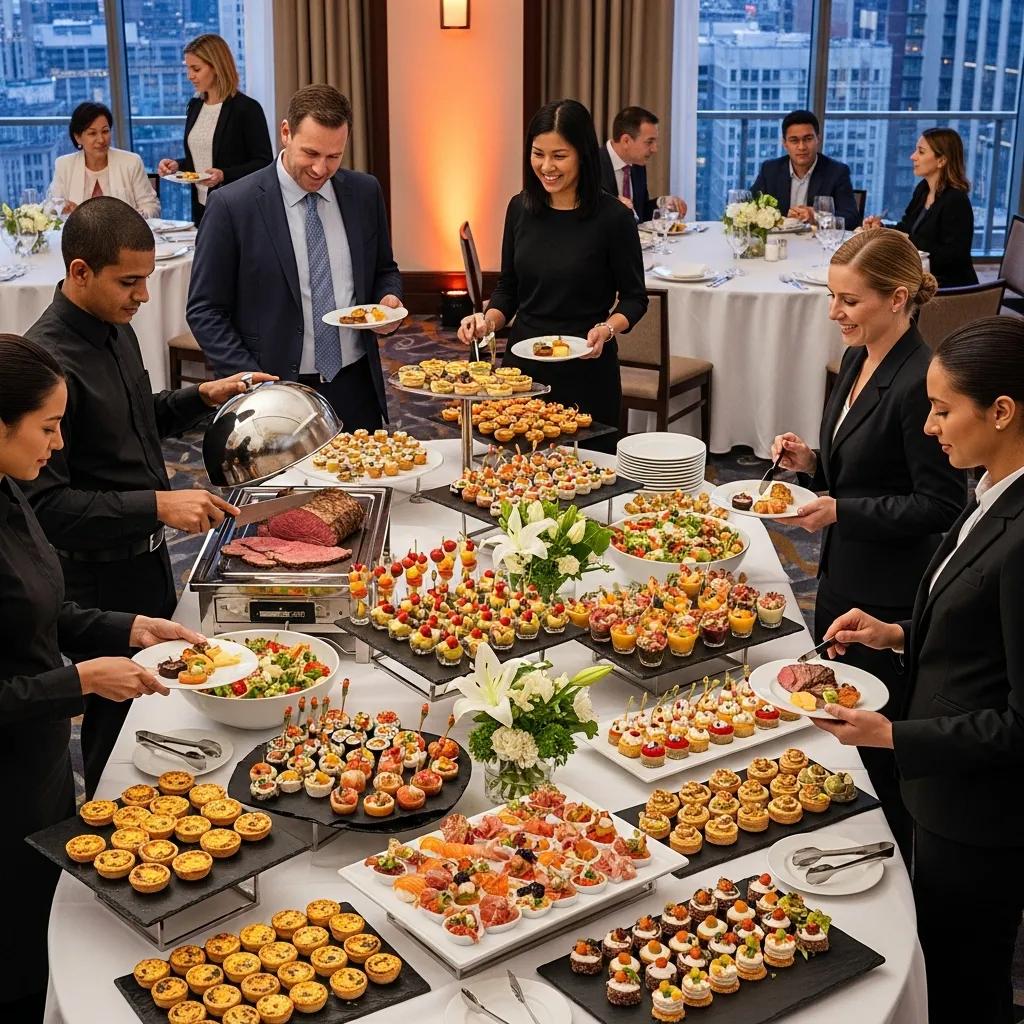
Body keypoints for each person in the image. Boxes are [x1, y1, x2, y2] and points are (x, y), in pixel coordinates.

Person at [20, 197, 274, 798]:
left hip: (148, 561)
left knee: (164, 710)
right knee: (118, 737)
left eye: (147, 279)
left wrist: (199, 397)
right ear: (80, 272)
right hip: (92, 580)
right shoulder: (48, 361)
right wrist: (157, 505)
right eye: (129, 281)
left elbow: (136, 423)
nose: (143, 296)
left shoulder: (117, 328)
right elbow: (48, 509)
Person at [812, 316, 1024, 1024]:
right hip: (942, 793)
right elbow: (981, 635)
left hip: (979, 819)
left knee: (966, 986)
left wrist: (895, 737)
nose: (931, 428)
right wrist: (897, 632)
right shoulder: (993, 487)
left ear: (1001, 411)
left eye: (942, 410)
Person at [0, 333, 207, 1019]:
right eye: (49, 427)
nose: (59, 446)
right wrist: (80, 683)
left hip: (37, 768)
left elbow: (40, 610)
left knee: (48, 932)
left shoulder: (10, 487)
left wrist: (128, 628)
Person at [770, 228, 967, 859]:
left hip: (887, 594)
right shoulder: (858, 359)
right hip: (841, 574)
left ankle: (884, 863)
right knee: (834, 722)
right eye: (833, 298)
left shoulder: (918, 380)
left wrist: (840, 511)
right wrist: (811, 464)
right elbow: (863, 469)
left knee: (874, 744)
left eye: (848, 301)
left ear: (899, 298)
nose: (834, 313)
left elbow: (940, 505)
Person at [186, 84, 403, 432]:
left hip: (356, 383)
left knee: (361, 484)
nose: (321, 169)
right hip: (275, 389)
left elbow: (383, 269)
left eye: (334, 157)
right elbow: (204, 309)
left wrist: (388, 300)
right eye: (311, 153)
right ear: (286, 133)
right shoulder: (232, 205)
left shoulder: (364, 193)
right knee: (288, 488)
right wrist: (251, 380)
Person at [457, 99, 647, 441]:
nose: (546, 166)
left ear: (583, 154)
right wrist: (488, 320)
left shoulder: (613, 218)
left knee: (588, 476)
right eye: (537, 154)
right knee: (521, 473)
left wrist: (606, 328)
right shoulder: (520, 208)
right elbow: (509, 287)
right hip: (524, 363)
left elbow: (635, 299)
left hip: (588, 363)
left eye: (559, 156)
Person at [156, 33, 272, 225]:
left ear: (216, 67)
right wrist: (178, 165)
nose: (189, 76)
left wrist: (224, 174)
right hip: (202, 206)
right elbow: (203, 158)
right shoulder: (195, 106)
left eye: (196, 69)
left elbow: (264, 163)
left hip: (238, 207)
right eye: (188, 68)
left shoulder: (246, 108)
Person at [863, 127, 977, 288]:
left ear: (941, 160)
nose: (912, 157)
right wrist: (881, 228)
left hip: (947, 289)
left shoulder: (956, 200)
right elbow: (905, 227)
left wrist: (907, 240)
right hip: (918, 276)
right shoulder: (923, 189)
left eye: (921, 152)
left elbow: (953, 257)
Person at [751, 110, 861, 228]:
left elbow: (851, 218)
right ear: (784, 143)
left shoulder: (837, 172)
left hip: (818, 243)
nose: (802, 147)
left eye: (808, 139)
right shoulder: (770, 170)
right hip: (780, 242)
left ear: (818, 139)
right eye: (794, 140)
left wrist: (816, 217)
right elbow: (749, 207)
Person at [49, 102, 160, 218]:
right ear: (78, 137)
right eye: (92, 133)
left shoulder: (131, 162)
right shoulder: (64, 165)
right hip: (78, 235)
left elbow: (152, 208)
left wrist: (131, 216)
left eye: (105, 131)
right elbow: (50, 207)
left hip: (124, 234)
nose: (101, 139)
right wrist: (61, 208)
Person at [598, 106, 686, 221]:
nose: (655, 149)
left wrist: (662, 202)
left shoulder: (637, 165)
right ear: (626, 141)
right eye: (649, 142)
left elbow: (640, 212)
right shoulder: (592, 164)